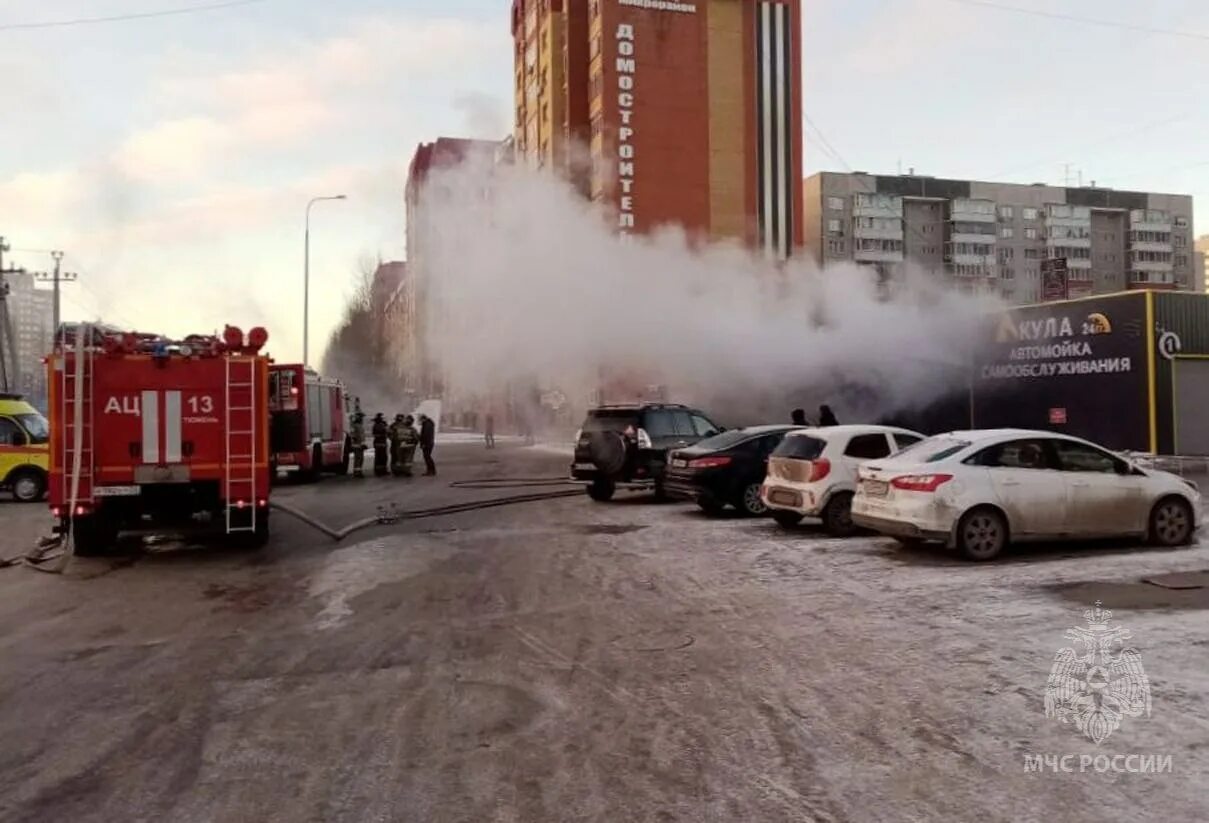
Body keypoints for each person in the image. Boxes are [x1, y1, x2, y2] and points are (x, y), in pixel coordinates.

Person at [350, 412, 367, 478]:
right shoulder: (355, 426)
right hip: (357, 445)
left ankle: (359, 471)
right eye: (361, 417)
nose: (362, 419)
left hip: (360, 445)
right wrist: (358, 443)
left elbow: (361, 436)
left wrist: (363, 444)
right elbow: (353, 435)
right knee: (358, 459)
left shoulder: (360, 425)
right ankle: (356, 473)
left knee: (361, 459)